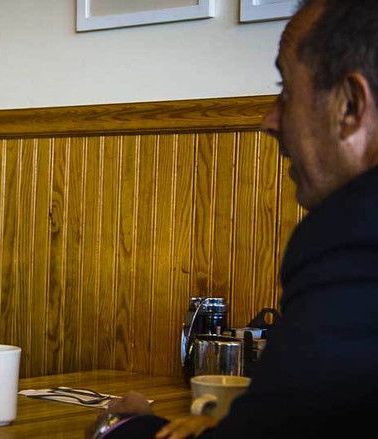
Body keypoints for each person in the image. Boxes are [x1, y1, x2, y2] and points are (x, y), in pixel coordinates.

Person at [95, 0, 378, 437]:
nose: (269, 121)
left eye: (286, 92)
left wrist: (122, 426)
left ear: (350, 106)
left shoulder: (352, 234)